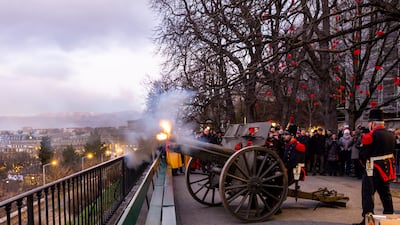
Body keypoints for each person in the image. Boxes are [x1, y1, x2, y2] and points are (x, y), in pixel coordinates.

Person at [352, 108, 396, 225]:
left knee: (368, 196)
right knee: (386, 195)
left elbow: (363, 154)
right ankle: (390, 219)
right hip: (386, 169)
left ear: (372, 123)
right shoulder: (391, 135)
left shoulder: (369, 136)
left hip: (373, 169)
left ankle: (369, 222)